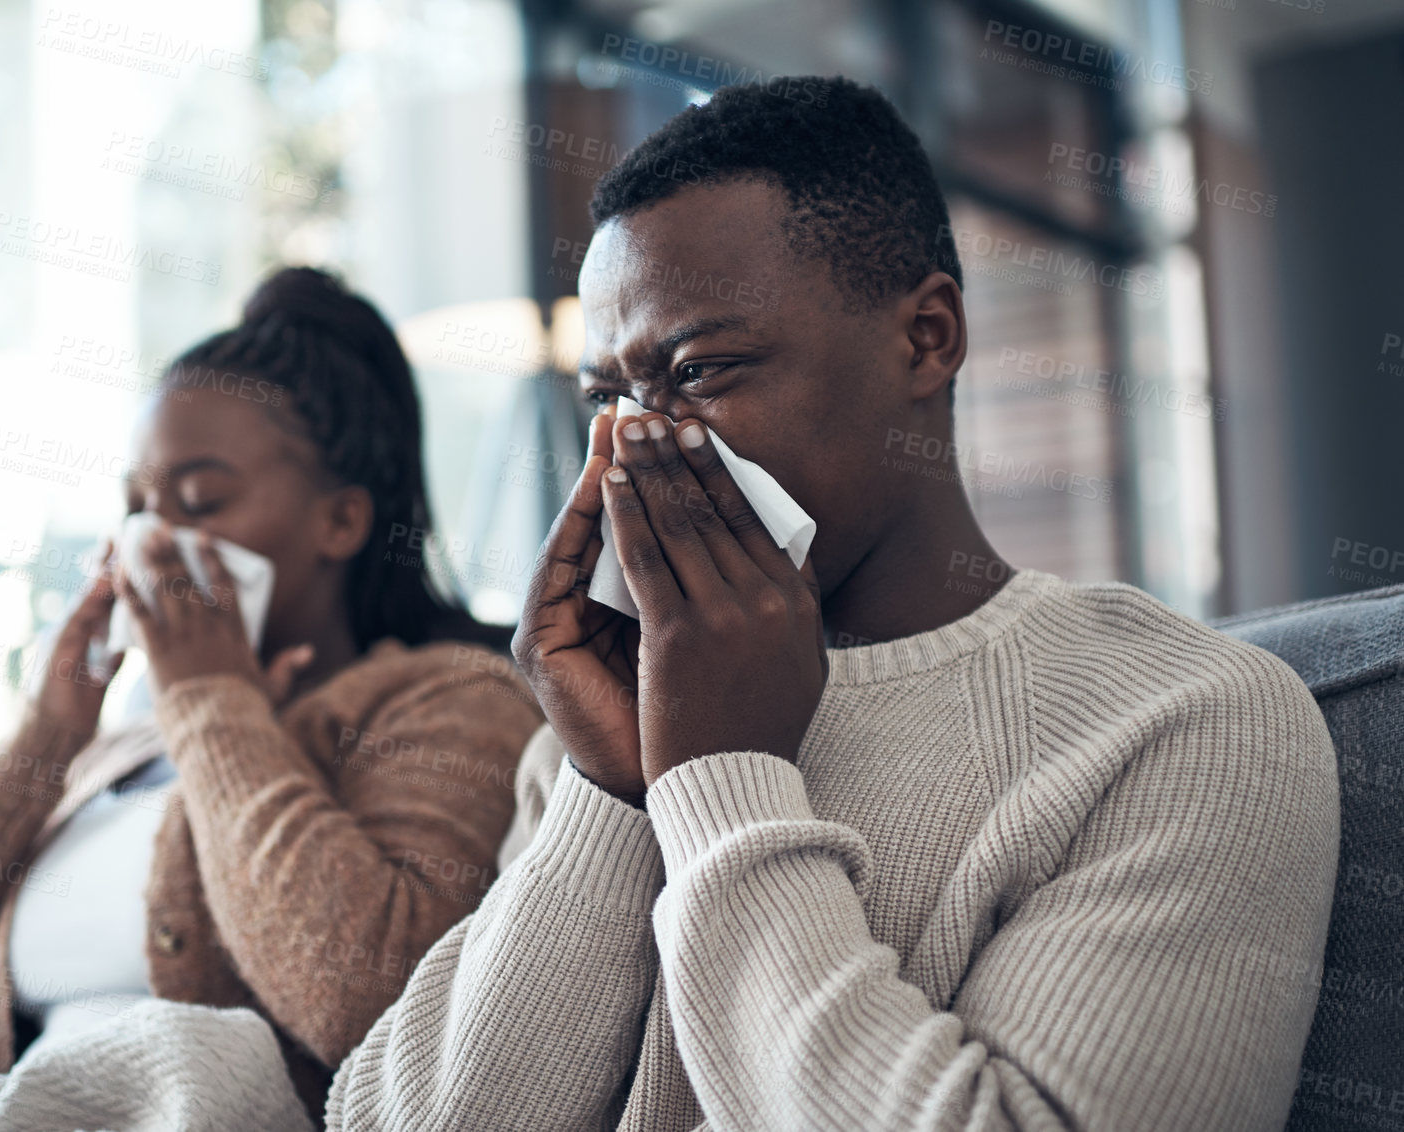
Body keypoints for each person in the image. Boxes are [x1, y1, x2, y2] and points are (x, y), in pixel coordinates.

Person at [326, 78, 1338, 1131]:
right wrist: (612, 793)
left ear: (926, 337)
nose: (636, 444)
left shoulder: (1188, 720)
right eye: (608, 399)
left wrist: (722, 778)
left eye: (700, 370)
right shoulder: (603, 717)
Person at [0, 267, 543, 1121]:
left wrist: (213, 701)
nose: (151, 540)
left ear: (340, 522)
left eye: (200, 501)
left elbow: (376, 1014)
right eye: (137, 507)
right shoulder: (122, 745)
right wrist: (46, 733)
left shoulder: (451, 699)